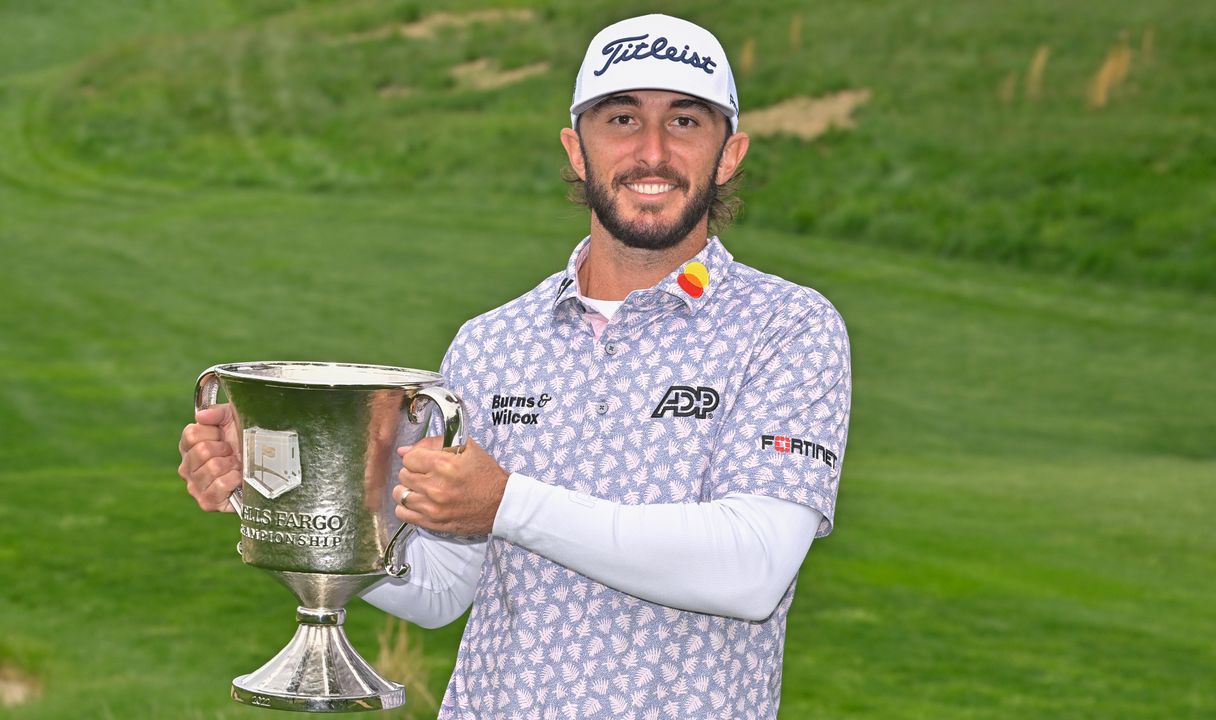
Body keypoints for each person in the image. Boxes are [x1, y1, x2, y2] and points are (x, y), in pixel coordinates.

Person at [178, 13, 851, 720]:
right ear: (576, 148)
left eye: (685, 122)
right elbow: (440, 589)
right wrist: (280, 494)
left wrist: (507, 502)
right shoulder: (491, 342)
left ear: (730, 152)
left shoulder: (787, 328)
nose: (652, 151)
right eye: (622, 119)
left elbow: (750, 569)